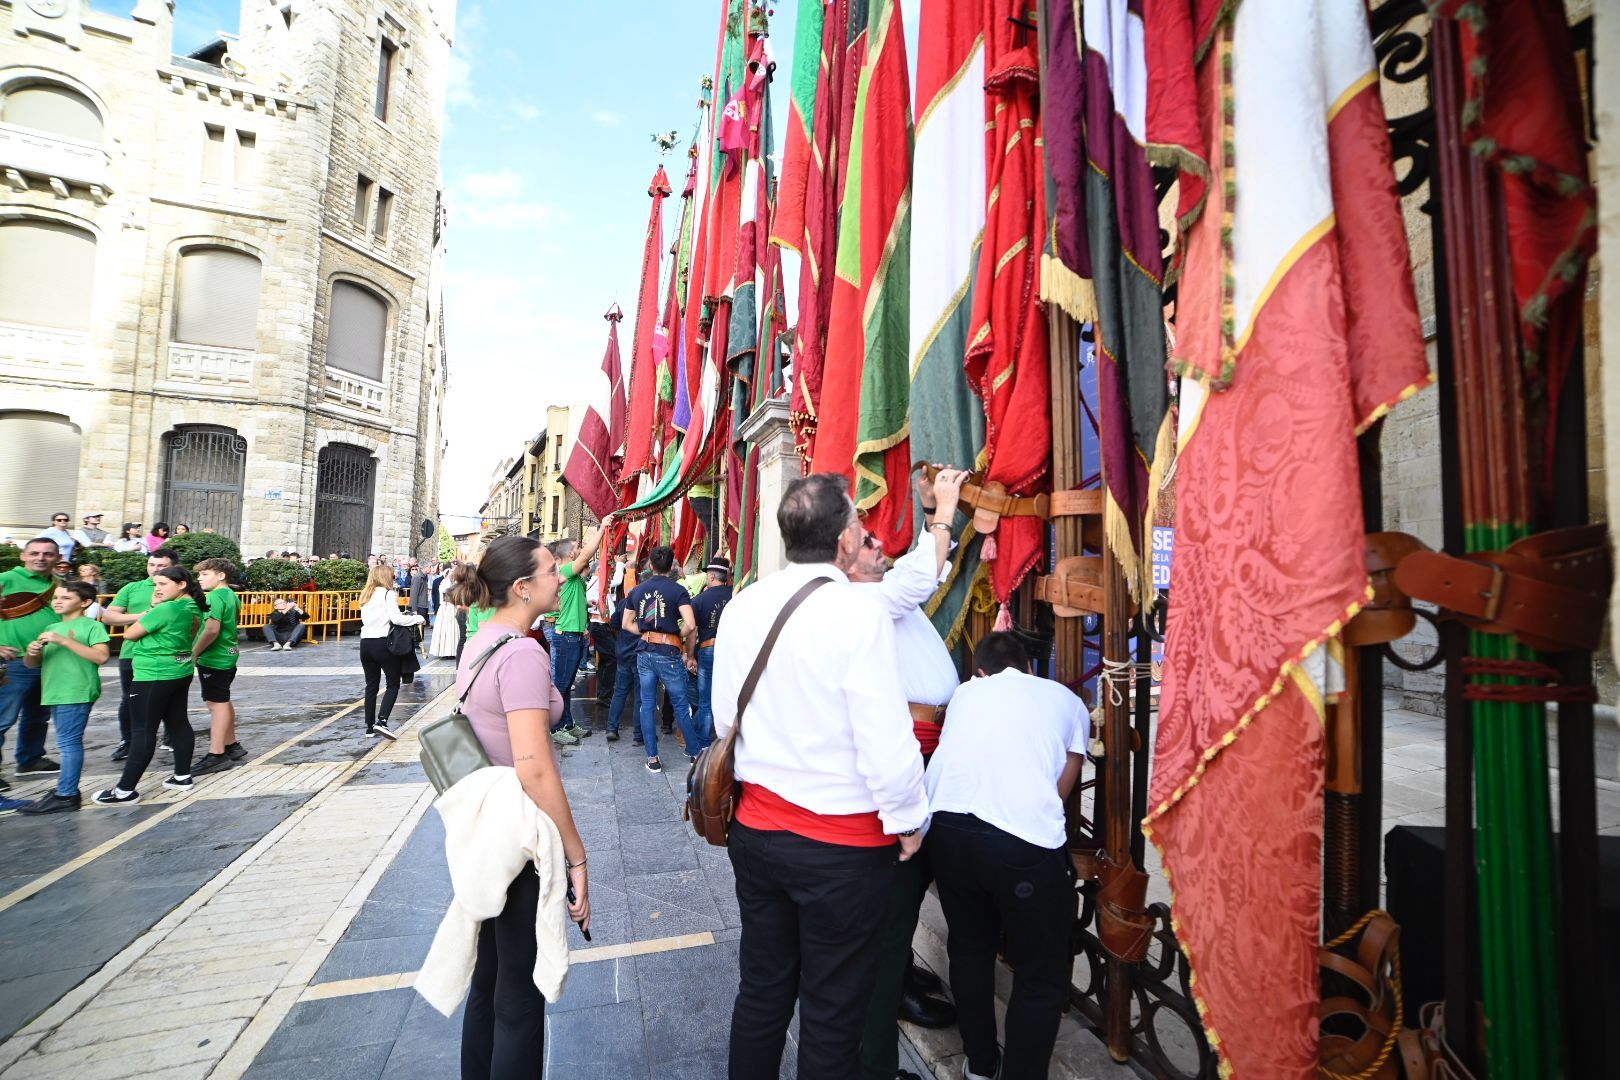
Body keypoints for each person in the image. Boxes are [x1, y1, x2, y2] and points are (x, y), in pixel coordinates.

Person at [712, 472, 927, 1079]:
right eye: (858, 521)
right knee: (832, 1016)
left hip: (756, 832)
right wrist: (910, 820)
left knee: (762, 991)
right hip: (841, 850)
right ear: (842, 540)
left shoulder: (743, 606)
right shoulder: (856, 615)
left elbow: (725, 718)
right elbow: (886, 742)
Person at [452, 535, 591, 1078]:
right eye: (553, 569)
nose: (563, 577)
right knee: (519, 995)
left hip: (484, 828)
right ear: (522, 586)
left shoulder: (483, 638)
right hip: (518, 835)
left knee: (487, 983)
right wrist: (577, 857)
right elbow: (534, 767)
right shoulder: (524, 652)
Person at [848, 469, 969, 1080]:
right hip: (911, 757)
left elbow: (927, 569)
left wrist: (932, 516)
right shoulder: (865, 598)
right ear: (846, 559)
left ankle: (891, 987)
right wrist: (944, 509)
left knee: (905, 897)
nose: (880, 546)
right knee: (895, 906)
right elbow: (923, 573)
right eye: (869, 542)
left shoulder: (882, 593)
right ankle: (876, 1052)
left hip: (927, 750)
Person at [924, 632, 1088, 1080]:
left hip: (949, 831)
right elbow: (1064, 782)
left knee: (970, 948)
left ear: (980, 672)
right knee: (1039, 975)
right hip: (1021, 844)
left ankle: (979, 1066)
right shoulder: (1065, 699)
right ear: (1029, 667)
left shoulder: (964, 694)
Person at [94, 565, 207, 804]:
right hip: (179, 670)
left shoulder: (167, 608)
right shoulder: (192, 606)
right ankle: (182, 776)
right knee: (178, 722)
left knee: (143, 731)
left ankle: (124, 790)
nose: (158, 590)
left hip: (153, 673)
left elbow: (130, 634)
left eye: (163, 584)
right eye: (156, 585)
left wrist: (153, 608)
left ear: (182, 584)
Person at [10, 580, 110, 815]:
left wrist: (64, 640)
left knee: (68, 743)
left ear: (85, 602)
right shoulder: (51, 626)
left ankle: (67, 794)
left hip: (76, 690)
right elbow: (32, 664)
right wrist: (33, 653)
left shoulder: (91, 626)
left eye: (65, 598)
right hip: (54, 691)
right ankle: (65, 791)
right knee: (65, 742)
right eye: (56, 597)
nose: (58, 601)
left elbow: (101, 657)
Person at [623, 545, 699, 772]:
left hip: (645, 651)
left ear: (651, 566)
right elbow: (691, 623)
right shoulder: (678, 591)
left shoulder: (637, 591)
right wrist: (676, 635)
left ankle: (653, 758)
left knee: (646, 704)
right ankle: (695, 752)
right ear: (672, 565)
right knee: (680, 703)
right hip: (668, 652)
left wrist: (647, 633)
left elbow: (627, 623)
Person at [102, 547, 179, 760]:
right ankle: (128, 740)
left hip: (167, 653)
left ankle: (171, 736)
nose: (155, 570)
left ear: (173, 567)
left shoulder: (180, 588)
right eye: (152, 565)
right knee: (130, 698)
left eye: (161, 566)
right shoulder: (133, 588)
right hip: (132, 653)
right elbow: (109, 617)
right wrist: (142, 617)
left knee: (169, 697)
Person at [0, 537, 62, 787]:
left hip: (49, 659)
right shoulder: (6, 579)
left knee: (38, 714)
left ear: (57, 558)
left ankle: (30, 758)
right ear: (23, 556)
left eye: (48, 554)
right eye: (35, 553)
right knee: (3, 717)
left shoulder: (58, 584)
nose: (41, 558)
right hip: (14, 661)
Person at [547, 522, 610, 744]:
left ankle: (567, 723)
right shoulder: (564, 570)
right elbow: (585, 558)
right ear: (570, 554)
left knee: (567, 683)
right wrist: (602, 530)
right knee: (562, 684)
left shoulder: (572, 577)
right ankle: (555, 728)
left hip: (572, 635)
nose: (580, 549)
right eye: (577, 547)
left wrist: (586, 604)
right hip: (565, 636)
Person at [358, 563, 424, 740]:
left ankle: (369, 727)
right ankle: (382, 721)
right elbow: (396, 619)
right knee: (393, 683)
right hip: (383, 642)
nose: (394, 577)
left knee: (371, 685)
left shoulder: (365, 595)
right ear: (386, 577)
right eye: (392, 575)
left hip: (365, 643)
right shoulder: (389, 594)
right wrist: (418, 618)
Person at [189, 558, 242, 775]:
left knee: (216, 704)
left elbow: (211, 629)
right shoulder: (231, 595)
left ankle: (217, 753)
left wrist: (194, 653)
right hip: (227, 654)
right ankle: (231, 744)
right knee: (223, 700)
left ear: (221, 576)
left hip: (215, 657)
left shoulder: (217, 596)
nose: (200, 578)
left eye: (205, 574)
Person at [687, 556, 732, 752]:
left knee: (705, 699)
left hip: (708, 649)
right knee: (731, 694)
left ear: (712, 576)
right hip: (731, 649)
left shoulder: (700, 600)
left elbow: (691, 630)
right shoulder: (737, 594)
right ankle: (729, 741)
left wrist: (690, 655)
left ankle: (703, 743)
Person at [603, 593, 641, 743]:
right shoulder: (649, 602)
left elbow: (614, 624)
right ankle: (639, 732)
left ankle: (612, 728)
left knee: (620, 692)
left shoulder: (623, 602)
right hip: (640, 652)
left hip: (624, 652)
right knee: (641, 695)